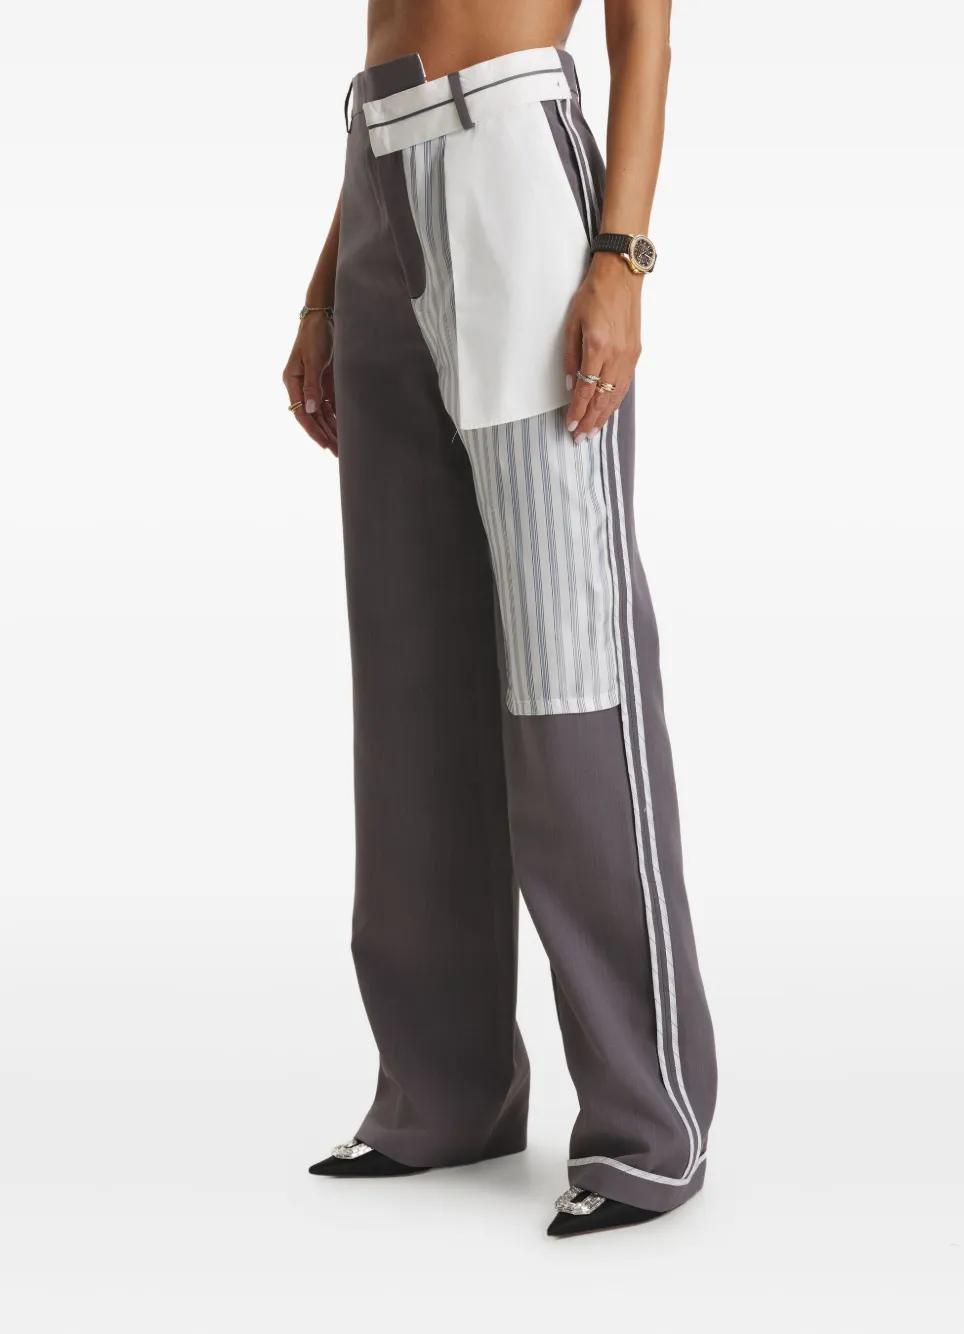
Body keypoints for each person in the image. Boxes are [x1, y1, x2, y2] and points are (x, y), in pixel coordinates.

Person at [284, 0, 717, 1238]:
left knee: (570, 676)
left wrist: (619, 255)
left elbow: (643, 33)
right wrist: (323, 290)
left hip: (514, 169)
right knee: (413, 685)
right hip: (378, 179)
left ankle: (647, 1123)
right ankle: (444, 1095)